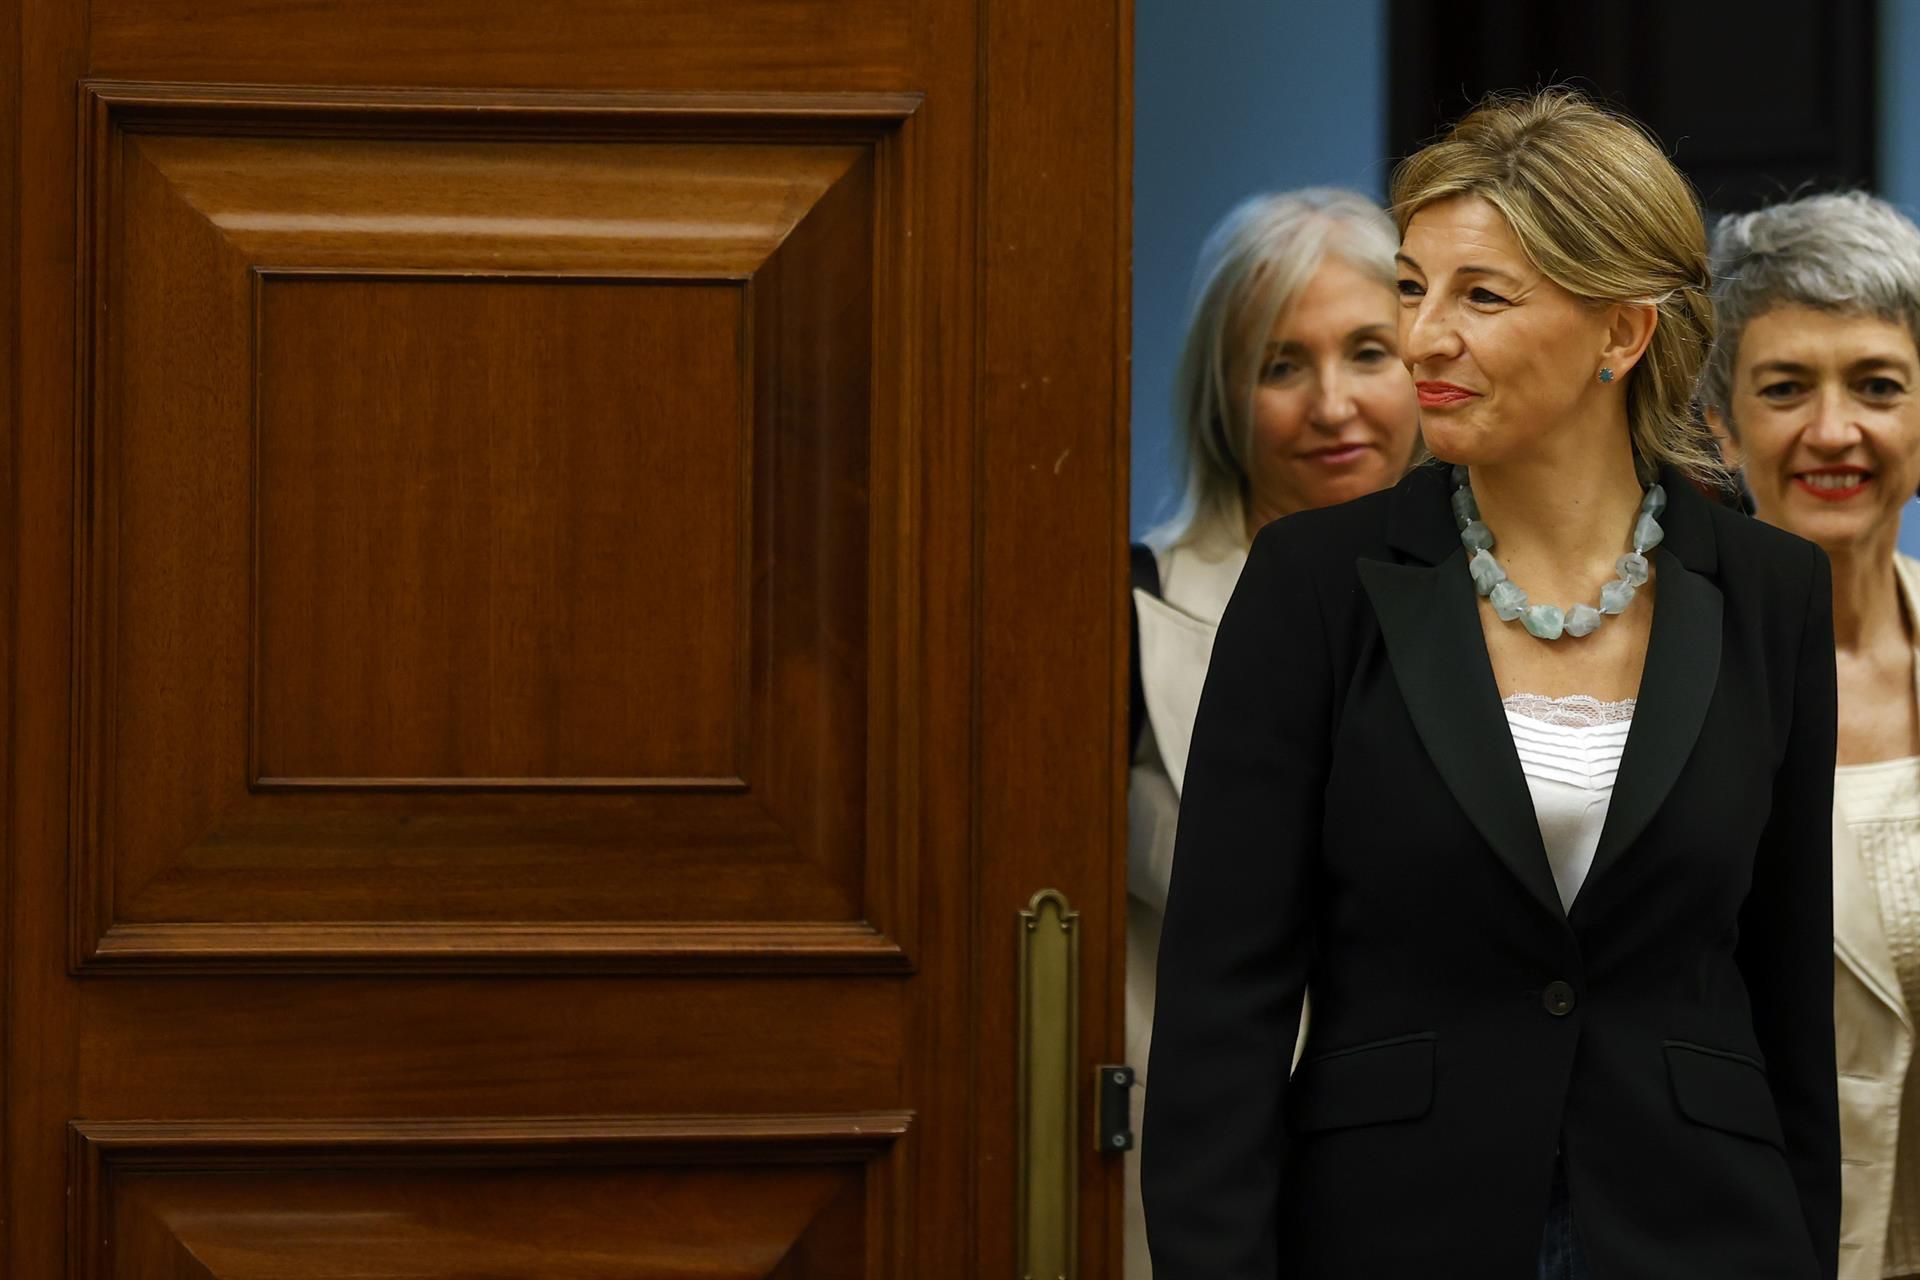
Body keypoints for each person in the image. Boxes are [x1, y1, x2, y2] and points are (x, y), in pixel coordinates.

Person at [1143, 90, 1840, 1279]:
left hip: (1706, 1234)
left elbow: (1784, 1001)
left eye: (1480, 296)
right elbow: (1223, 1013)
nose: (1421, 340)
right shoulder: (1315, 584)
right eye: (1412, 287)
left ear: (1621, 335)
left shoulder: (1771, 592)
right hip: (1392, 1230)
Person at [1124, 188, 1420, 1280]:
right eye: (1282, 365)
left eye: (1368, 352)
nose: (1334, 404)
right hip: (1215, 1190)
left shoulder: (1516, 605)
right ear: (1224, 397)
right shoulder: (1135, 614)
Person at [1698, 190, 1920, 1280]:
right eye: (1786, 389)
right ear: (1719, 426)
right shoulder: (1649, 680)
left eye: (1878, 385)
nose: (1835, 431)